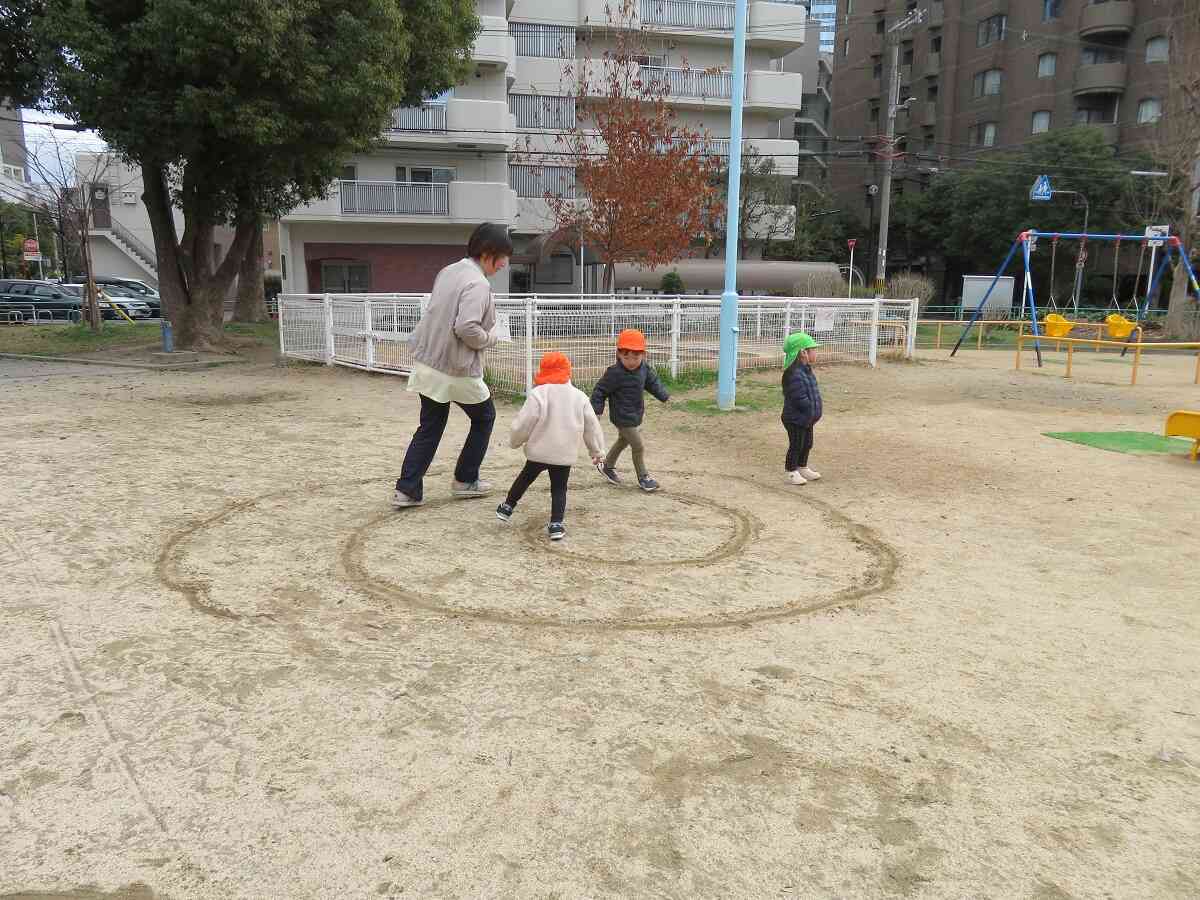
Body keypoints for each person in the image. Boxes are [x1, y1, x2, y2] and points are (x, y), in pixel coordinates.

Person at [392, 222, 513, 508]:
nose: (505, 264)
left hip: (428, 361)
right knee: (485, 417)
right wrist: (490, 338)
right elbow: (467, 328)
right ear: (488, 253)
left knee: (430, 426)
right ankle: (464, 479)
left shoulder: (449, 270)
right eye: (503, 257)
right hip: (454, 366)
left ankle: (407, 489)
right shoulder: (478, 283)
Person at [497, 352, 606, 541]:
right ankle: (556, 524)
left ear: (543, 372)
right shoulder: (579, 397)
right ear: (568, 372)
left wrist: (515, 441)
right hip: (563, 454)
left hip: (538, 452)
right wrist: (596, 451)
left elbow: (524, 422)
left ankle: (508, 506)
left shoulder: (538, 394)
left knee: (524, 479)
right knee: (559, 488)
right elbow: (592, 427)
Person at [590, 328, 670, 492]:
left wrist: (664, 396)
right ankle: (643, 477)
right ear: (619, 354)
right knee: (638, 445)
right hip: (621, 416)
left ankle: (607, 466)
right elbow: (600, 390)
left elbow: (653, 383)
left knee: (623, 441)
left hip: (635, 413)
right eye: (626, 357)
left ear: (643, 355)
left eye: (636, 357)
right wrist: (597, 410)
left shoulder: (644, 369)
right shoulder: (615, 373)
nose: (631, 361)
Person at [781, 331, 823, 486]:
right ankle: (791, 471)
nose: (815, 352)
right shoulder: (792, 374)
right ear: (803, 353)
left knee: (807, 443)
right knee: (796, 444)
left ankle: (802, 467)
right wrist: (810, 407)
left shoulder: (806, 369)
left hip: (807, 418)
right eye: (813, 349)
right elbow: (798, 397)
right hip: (795, 418)